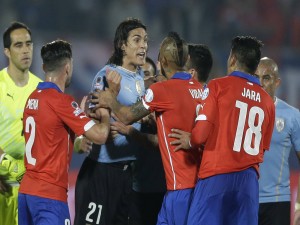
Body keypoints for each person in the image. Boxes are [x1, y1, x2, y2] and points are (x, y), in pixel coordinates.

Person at [91, 32, 208, 225]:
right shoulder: (204, 90)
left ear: (161, 60)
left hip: (180, 189)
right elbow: (167, 138)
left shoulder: (161, 90)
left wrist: (111, 99)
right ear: (187, 59)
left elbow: (126, 115)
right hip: (199, 186)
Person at [18, 39, 110, 225]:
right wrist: (106, 113)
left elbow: (49, 137)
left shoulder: (32, 98)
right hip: (49, 196)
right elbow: (100, 135)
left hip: (26, 193)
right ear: (67, 67)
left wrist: (77, 127)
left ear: (43, 66)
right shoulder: (62, 102)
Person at [186, 36, 275, 225]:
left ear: (233, 59)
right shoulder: (268, 101)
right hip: (249, 185)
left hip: (216, 177)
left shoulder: (218, 86)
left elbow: (200, 136)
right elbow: (263, 147)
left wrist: (189, 138)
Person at [74, 17, 148, 225]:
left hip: (126, 174)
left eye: (145, 40)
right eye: (137, 40)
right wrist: (101, 117)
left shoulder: (139, 78)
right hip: (101, 173)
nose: (143, 45)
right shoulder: (108, 75)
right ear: (122, 45)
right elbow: (93, 113)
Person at [0, 21, 42, 225]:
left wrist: (78, 142)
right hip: (2, 185)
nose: (26, 50)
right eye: (18, 45)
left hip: (30, 188)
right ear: (7, 51)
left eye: (28, 44)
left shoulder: (42, 89)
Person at [255, 57, 300, 225]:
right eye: (256, 77)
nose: (260, 83)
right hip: (245, 197)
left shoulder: (292, 116)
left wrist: (299, 206)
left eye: (266, 78)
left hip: (277, 202)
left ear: (277, 82)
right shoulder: (240, 112)